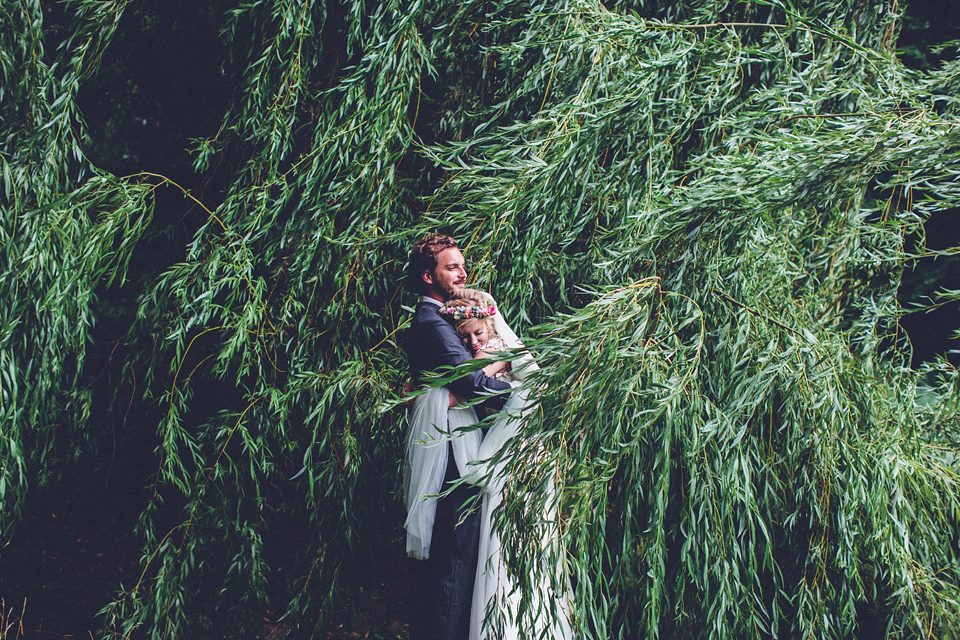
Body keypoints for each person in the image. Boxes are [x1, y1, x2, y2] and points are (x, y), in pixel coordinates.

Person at [402, 234, 514, 640]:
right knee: (455, 562)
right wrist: (519, 394)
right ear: (429, 276)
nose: (463, 273)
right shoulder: (431, 322)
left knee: (454, 564)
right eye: (452, 267)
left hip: (458, 446)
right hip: (454, 458)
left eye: (462, 265)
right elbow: (469, 383)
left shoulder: (445, 318)